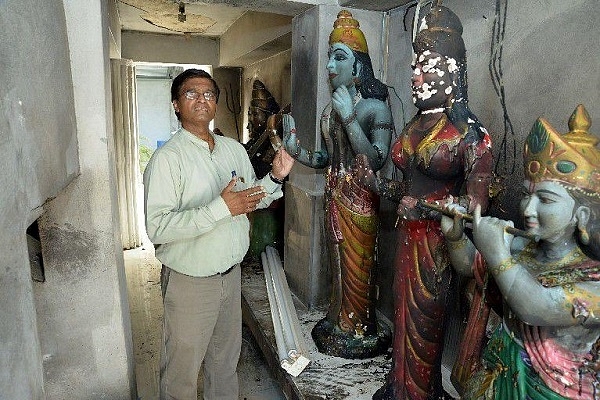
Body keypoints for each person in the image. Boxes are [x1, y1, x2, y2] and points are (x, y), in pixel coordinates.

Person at [363, 3, 493, 399]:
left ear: (454, 72)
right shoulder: (413, 124)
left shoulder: (470, 133)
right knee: (402, 316)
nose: (416, 74)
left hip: (439, 244)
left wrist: (426, 208)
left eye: (428, 64)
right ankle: (401, 386)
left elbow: (476, 208)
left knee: (426, 321)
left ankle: (421, 392)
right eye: (415, 63)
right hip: (406, 239)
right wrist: (375, 183)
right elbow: (406, 190)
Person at [143, 68, 294, 400]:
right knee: (180, 375)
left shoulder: (233, 151)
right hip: (190, 284)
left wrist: (275, 177)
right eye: (191, 94)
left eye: (208, 94)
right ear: (176, 105)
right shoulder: (167, 159)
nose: (201, 100)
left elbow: (250, 198)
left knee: (224, 364)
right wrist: (220, 208)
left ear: (215, 104)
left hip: (230, 277)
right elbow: (158, 228)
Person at [441, 104, 600, 399]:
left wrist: (498, 255)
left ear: (582, 216)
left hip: (555, 390)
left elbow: (535, 306)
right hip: (499, 376)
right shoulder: (523, 248)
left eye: (546, 199)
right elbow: (468, 266)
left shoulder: (593, 281)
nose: (528, 208)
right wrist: (455, 238)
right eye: (527, 194)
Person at [282, 10, 393, 359]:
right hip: (334, 196)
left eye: (339, 56)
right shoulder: (328, 111)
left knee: (360, 265)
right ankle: (338, 319)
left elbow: (375, 160)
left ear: (359, 67)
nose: (330, 64)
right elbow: (326, 160)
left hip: (361, 201)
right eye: (330, 56)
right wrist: (296, 151)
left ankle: (360, 325)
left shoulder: (375, 108)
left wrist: (349, 118)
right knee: (337, 266)